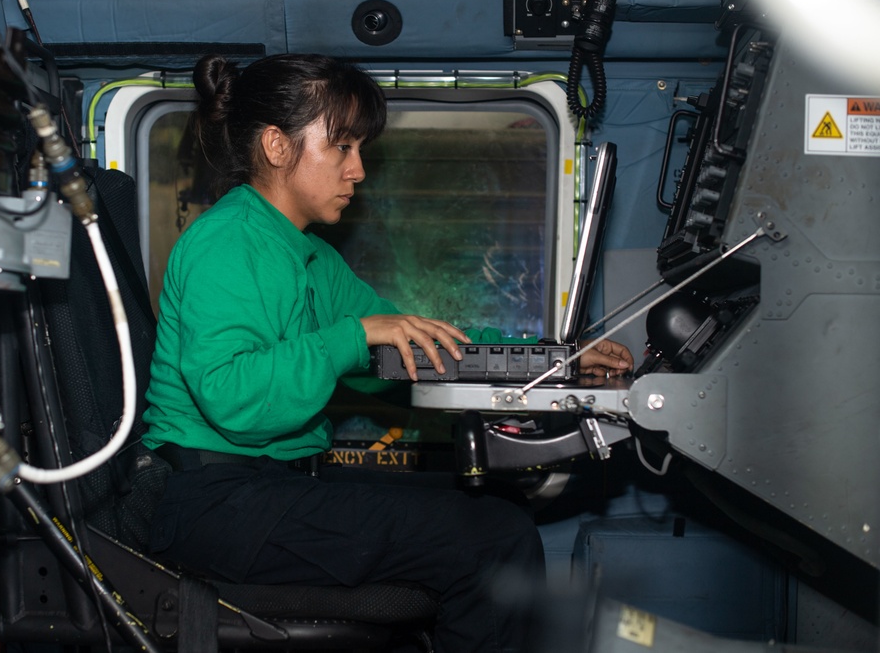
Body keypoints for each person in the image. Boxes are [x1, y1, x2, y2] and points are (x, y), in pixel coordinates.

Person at [141, 52, 633, 652]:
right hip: (212, 506)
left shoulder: (312, 256)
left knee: (498, 512)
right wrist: (353, 337)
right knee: (493, 541)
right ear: (276, 146)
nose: (358, 171)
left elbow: (414, 346)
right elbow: (234, 399)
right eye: (343, 147)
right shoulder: (228, 241)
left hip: (269, 489)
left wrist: (559, 364)